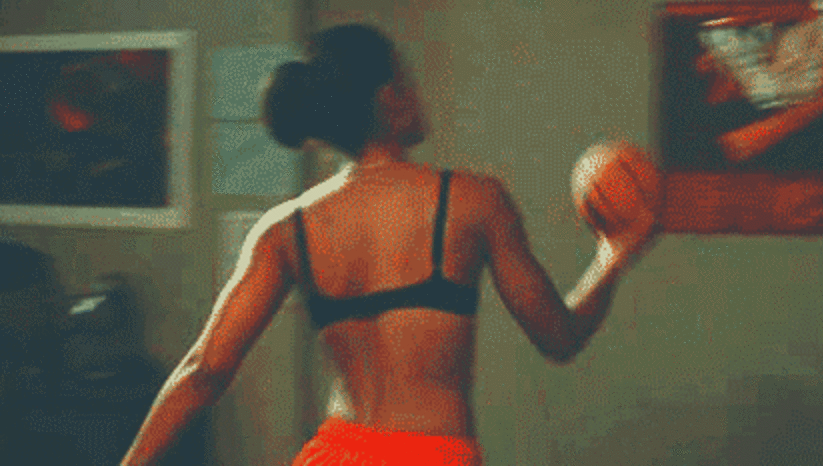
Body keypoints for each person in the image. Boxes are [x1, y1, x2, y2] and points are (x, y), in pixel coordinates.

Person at [119, 24, 661, 466]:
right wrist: (612, 255)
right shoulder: (474, 201)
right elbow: (559, 338)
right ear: (389, 99)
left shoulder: (285, 229)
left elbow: (203, 371)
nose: (416, 93)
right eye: (407, 79)